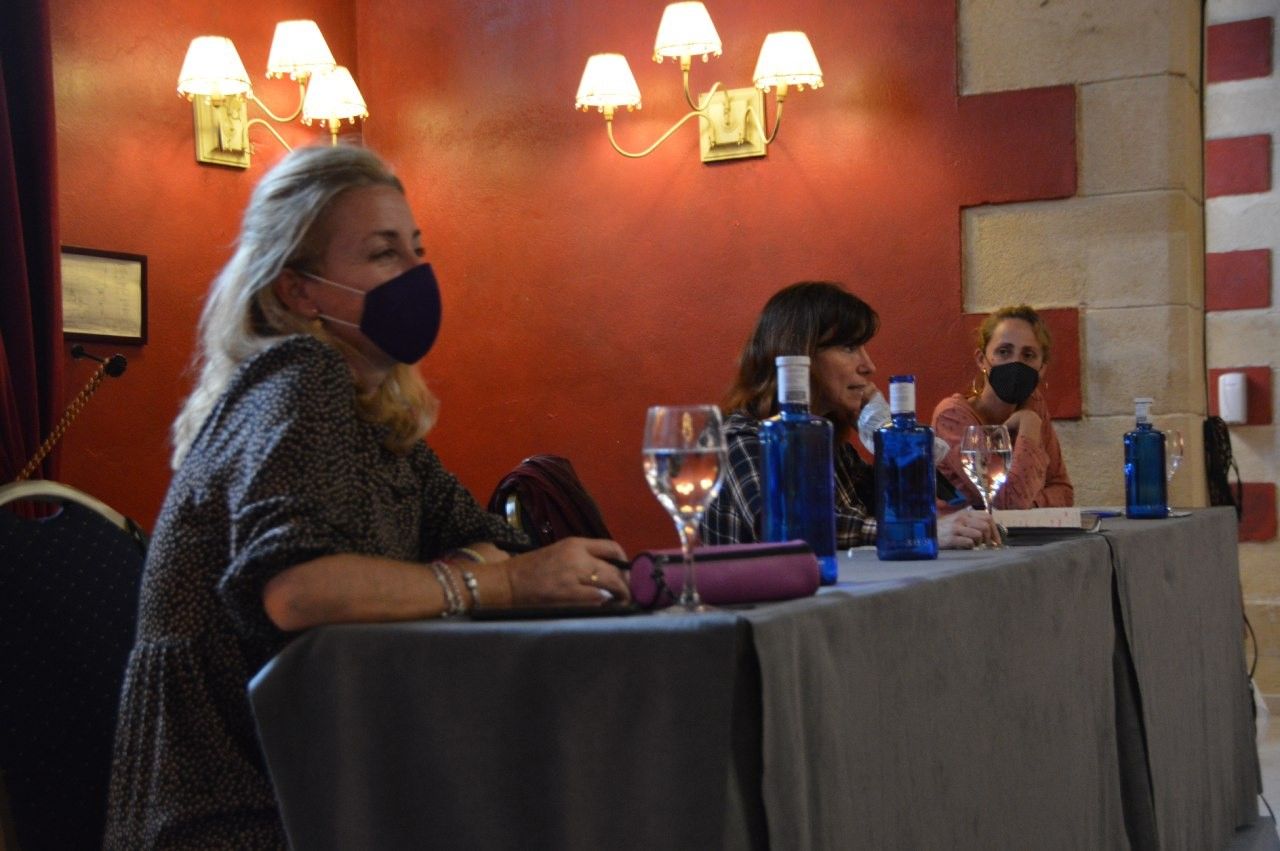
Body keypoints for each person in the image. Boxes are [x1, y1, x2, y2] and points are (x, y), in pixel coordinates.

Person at [103, 145, 630, 848]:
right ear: (299, 290)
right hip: (230, 818)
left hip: (316, 786)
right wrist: (494, 585)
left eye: (417, 249)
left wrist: (476, 569)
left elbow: (492, 535)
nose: (418, 275)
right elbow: (298, 589)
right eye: (384, 254)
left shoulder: (374, 413)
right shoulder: (301, 374)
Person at [702, 281, 996, 551]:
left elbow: (908, 508)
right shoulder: (740, 438)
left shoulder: (830, 443)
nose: (869, 366)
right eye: (849, 348)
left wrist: (884, 433)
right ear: (799, 355)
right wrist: (920, 532)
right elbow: (793, 529)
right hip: (766, 607)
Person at [931, 304, 1073, 509]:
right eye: (1004, 352)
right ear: (982, 360)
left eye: (1028, 355)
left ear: (1041, 368)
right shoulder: (952, 416)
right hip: (967, 540)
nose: (1015, 362)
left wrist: (1030, 506)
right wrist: (1029, 425)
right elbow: (1009, 503)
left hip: (1022, 540)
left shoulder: (1034, 403)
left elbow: (1064, 492)